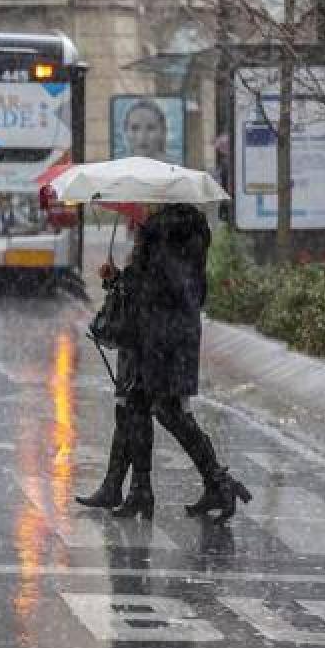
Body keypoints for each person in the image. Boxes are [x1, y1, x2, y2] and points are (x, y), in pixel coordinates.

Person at [75, 204, 251, 522]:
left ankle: (215, 482)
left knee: (162, 409)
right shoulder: (185, 231)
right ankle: (133, 489)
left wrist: (125, 278)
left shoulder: (164, 232)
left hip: (161, 336)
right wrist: (123, 278)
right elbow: (177, 287)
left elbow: (160, 286)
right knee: (136, 406)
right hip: (169, 333)